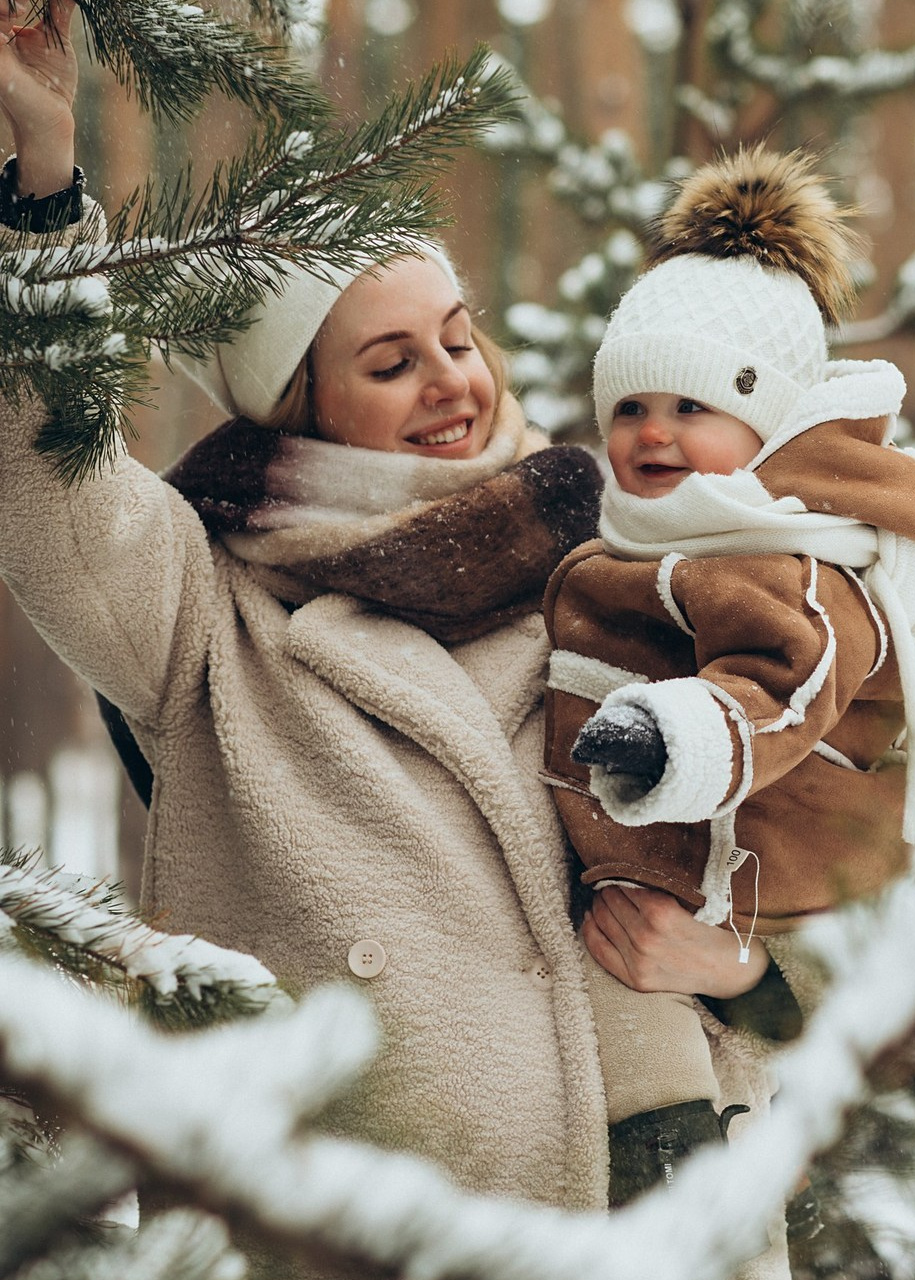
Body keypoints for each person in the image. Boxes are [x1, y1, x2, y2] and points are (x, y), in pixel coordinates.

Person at [0, 8, 798, 1278]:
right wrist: (42, 184)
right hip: (344, 1232)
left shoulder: (626, 558)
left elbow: (815, 838)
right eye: (390, 361)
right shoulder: (210, 613)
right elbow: (55, 493)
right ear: (296, 406)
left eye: (456, 335)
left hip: (664, 1202)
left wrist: (746, 970)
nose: (452, 382)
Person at [543, 147, 915, 1201]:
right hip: (651, 916)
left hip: (766, 902)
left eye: (692, 407)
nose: (654, 430)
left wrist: (675, 735)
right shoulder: (634, 537)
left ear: (768, 421)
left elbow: (786, 681)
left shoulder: (791, 556)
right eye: (630, 406)